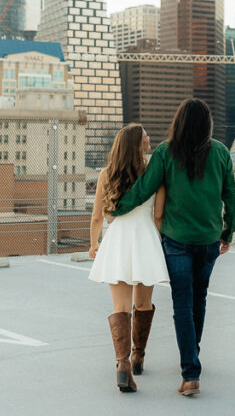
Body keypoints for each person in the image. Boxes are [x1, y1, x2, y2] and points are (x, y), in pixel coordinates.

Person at [110, 98, 235, 397]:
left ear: (178, 122)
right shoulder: (220, 152)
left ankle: (190, 372)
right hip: (208, 240)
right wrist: (227, 231)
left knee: (183, 302)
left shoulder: (167, 152)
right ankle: (191, 359)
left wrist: (117, 207)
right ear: (207, 124)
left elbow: (145, 189)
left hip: (176, 241)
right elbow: (230, 196)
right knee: (199, 299)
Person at [88, 123, 169, 393]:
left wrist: (93, 244)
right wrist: (159, 240)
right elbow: (158, 215)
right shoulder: (153, 173)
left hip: (118, 241)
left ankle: (122, 365)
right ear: (138, 144)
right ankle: (138, 356)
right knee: (143, 303)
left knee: (119, 307)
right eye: (146, 135)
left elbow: (98, 216)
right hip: (145, 240)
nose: (149, 137)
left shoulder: (106, 174)